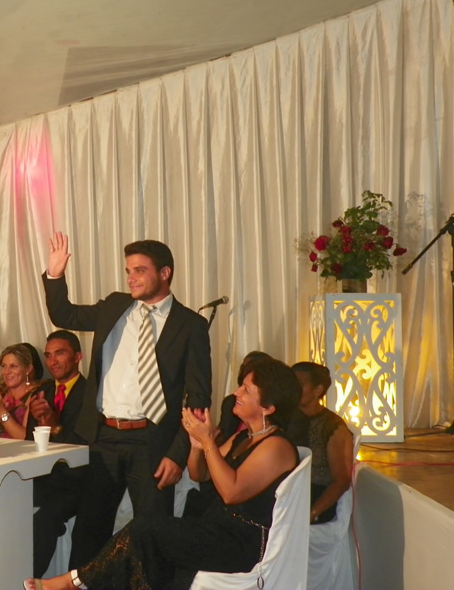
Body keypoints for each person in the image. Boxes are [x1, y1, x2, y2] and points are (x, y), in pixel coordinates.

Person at [25, 358, 301, 590]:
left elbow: (230, 492)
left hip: (239, 542)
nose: (237, 392)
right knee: (146, 541)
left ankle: (73, 582)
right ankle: (76, 582)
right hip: (215, 529)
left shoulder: (276, 446)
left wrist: (208, 442)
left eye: (246, 389)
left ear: (268, 407)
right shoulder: (244, 437)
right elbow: (201, 474)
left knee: (145, 530)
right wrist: (196, 446)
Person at [42, 232, 212, 568]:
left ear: (165, 273)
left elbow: (198, 397)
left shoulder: (190, 325)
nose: (131, 278)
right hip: (103, 437)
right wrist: (55, 275)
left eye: (140, 270)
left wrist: (178, 454)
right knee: (90, 530)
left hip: (153, 441)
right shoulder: (115, 306)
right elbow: (65, 315)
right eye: (128, 271)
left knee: (153, 535)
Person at [27, 330, 88, 577]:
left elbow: (86, 447)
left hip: (75, 481)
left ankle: (30, 580)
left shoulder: (91, 393)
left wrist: (54, 428)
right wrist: (36, 423)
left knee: (44, 519)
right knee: (4, 499)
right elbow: (29, 442)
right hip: (43, 476)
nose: (52, 361)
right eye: (48, 355)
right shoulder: (43, 392)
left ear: (78, 357)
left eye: (60, 353)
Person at [292, 361, 354, 524]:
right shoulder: (285, 417)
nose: (292, 389)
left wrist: (312, 513)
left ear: (317, 390)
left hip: (315, 497)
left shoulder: (332, 426)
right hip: (288, 492)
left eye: (298, 384)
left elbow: (341, 480)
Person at [0, 343, 43, 439]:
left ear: (28, 369)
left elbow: (26, 438)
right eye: (4, 366)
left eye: (13, 366)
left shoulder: (36, 395)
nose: (7, 372)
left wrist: (1, 413)